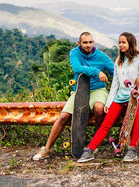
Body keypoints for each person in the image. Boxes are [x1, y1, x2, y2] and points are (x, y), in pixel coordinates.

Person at [33, 31, 114, 160]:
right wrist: (96, 71)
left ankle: (96, 142)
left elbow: (115, 72)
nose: (88, 45)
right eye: (85, 42)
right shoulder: (74, 53)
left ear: (94, 42)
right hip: (80, 91)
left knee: (99, 108)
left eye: (90, 42)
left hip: (97, 90)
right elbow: (77, 68)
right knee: (64, 116)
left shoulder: (102, 57)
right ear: (79, 43)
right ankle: (46, 148)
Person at [77, 32, 139, 163]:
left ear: (130, 43)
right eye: (119, 42)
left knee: (135, 116)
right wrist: (109, 103)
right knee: (106, 123)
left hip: (137, 96)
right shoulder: (118, 61)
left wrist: (137, 92)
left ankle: (132, 149)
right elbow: (115, 84)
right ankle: (90, 150)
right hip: (121, 96)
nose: (120, 45)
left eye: (123, 42)